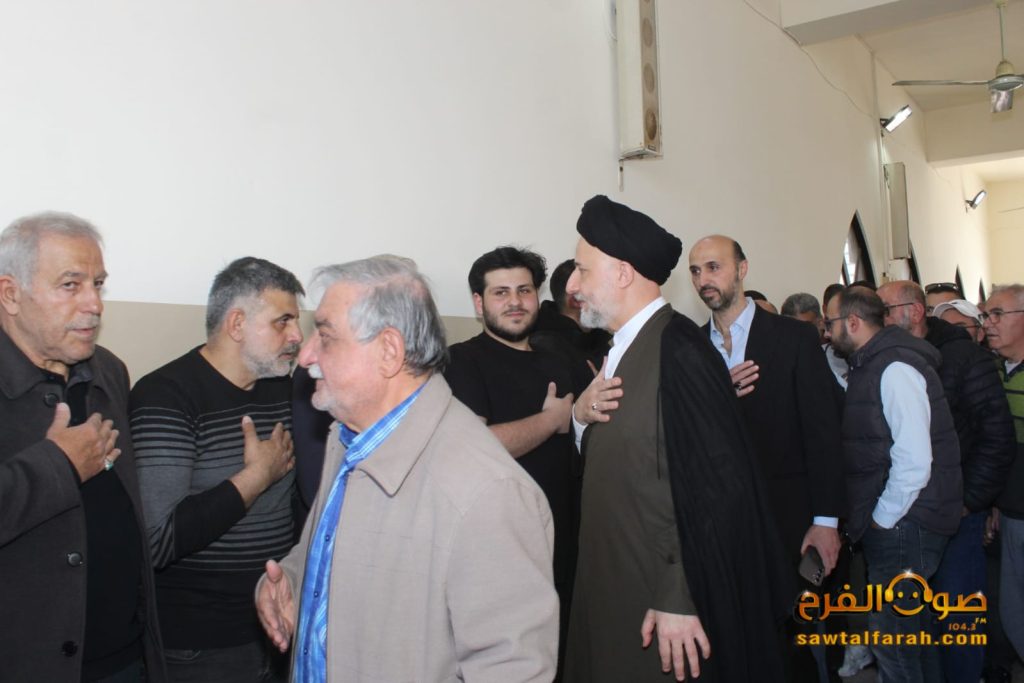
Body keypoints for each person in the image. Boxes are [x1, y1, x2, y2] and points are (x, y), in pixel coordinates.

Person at [256, 255, 558, 682]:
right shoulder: (345, 438)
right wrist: (292, 581)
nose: (306, 355)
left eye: (325, 336)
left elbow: (513, 670)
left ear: (389, 351)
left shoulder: (490, 492)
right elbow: (329, 547)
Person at [564, 195, 789, 683]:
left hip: (657, 599)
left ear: (623, 274)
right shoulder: (622, 349)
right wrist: (579, 416)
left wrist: (678, 595)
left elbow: (717, 485)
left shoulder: (681, 351)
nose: (571, 286)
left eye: (581, 270)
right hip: (617, 578)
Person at [0, 211, 166, 682]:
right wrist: (59, 466)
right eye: (70, 285)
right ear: (10, 294)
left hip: (124, 658)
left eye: (98, 284)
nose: (94, 304)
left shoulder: (109, 370)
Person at [130, 257, 303, 682]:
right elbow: (157, 541)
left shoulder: (285, 388)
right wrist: (255, 478)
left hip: (279, 628)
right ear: (237, 324)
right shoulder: (166, 396)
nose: (297, 336)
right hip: (200, 646)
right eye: (283, 322)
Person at [689, 235, 846, 682]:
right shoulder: (691, 347)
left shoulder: (793, 338)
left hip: (789, 520)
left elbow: (822, 434)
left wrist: (826, 521)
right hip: (723, 525)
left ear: (742, 269)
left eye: (714, 267)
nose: (704, 279)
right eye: (696, 271)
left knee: (796, 641)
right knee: (740, 644)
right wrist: (718, 396)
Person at [444, 246, 578, 674]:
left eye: (524, 290)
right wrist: (551, 421)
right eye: (500, 292)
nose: (515, 301)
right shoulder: (462, 361)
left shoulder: (560, 358)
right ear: (478, 302)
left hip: (567, 544)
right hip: (499, 553)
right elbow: (473, 446)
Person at [877, 280, 1014, 683]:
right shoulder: (890, 357)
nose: (879, 318)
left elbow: (996, 437)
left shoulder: (963, 357)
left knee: (958, 618)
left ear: (915, 312)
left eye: (886, 309)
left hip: (957, 515)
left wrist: (969, 501)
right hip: (911, 515)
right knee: (919, 623)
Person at [826, 285, 962, 682]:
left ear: (853, 322)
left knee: (894, 644)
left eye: (830, 323)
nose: (827, 332)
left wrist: (881, 519)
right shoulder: (874, 363)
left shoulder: (894, 368)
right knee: (912, 639)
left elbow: (915, 460)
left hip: (906, 524)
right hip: (905, 522)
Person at [981, 284, 1024, 662]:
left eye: (997, 314)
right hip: (1010, 512)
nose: (988, 324)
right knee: (1012, 611)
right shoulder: (992, 371)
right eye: (985, 315)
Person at [531, 257, 611, 371]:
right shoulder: (545, 349)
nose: (607, 297)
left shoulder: (601, 340)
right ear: (576, 300)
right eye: (598, 291)